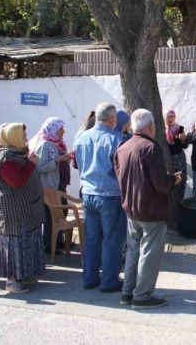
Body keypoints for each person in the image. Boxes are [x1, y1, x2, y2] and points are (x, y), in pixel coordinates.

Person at [114, 109, 182, 310]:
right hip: (150, 208)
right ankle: (142, 296)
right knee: (150, 253)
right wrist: (174, 179)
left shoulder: (123, 148)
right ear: (151, 126)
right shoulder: (150, 148)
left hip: (131, 207)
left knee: (134, 250)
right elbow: (161, 184)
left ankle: (128, 291)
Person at [74, 103, 126, 292]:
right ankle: (110, 281)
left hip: (88, 193)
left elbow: (78, 164)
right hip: (110, 194)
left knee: (92, 239)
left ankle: (89, 278)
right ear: (112, 119)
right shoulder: (117, 139)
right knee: (112, 239)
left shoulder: (80, 137)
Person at [0, 123, 47, 293]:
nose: (26, 138)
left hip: (26, 210)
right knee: (15, 244)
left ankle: (25, 274)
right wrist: (31, 164)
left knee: (27, 242)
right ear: (12, 137)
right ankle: (12, 280)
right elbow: (15, 181)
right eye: (23, 136)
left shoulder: (16, 154)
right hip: (14, 213)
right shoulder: (5, 156)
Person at [30, 117, 71, 253]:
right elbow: (40, 166)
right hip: (48, 186)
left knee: (60, 213)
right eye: (60, 129)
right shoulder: (45, 145)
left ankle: (58, 240)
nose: (63, 132)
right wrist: (58, 161)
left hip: (57, 184)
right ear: (52, 130)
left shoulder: (57, 143)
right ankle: (48, 244)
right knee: (50, 215)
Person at [164, 109, 188, 206]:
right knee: (170, 182)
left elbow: (185, 146)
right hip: (167, 159)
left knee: (181, 181)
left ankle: (180, 204)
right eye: (168, 117)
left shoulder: (179, 128)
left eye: (172, 116)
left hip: (179, 159)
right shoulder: (162, 130)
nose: (170, 119)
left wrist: (183, 140)